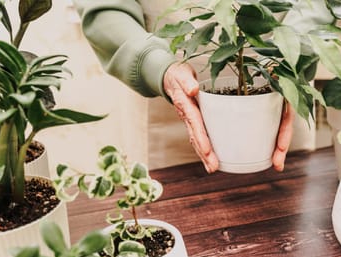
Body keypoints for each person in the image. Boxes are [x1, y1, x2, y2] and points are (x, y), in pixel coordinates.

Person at [72, 0, 306, 173]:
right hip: (165, 98)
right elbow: (103, 8)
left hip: (279, 90)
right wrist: (156, 66)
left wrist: (293, 56)